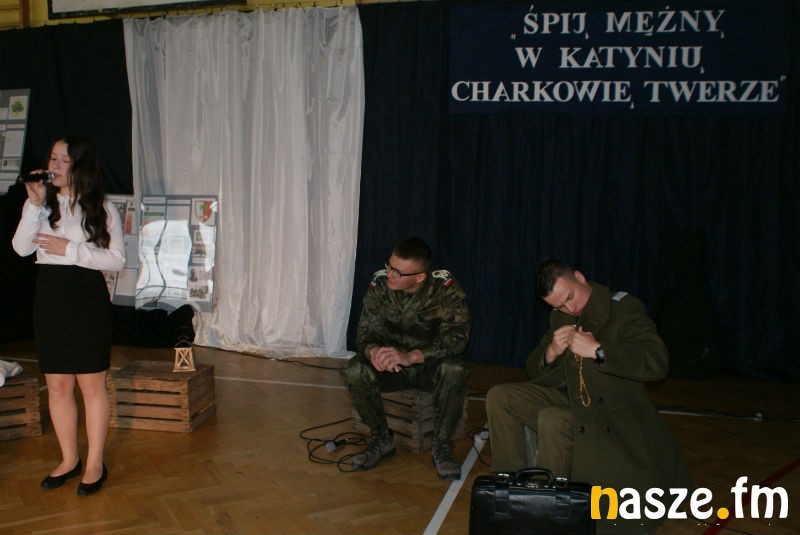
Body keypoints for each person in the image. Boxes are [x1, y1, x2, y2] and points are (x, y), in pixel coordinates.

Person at [486, 258, 691, 534]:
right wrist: (551, 353)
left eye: (570, 297)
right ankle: (514, 491)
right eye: (559, 305)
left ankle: (546, 507)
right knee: (501, 397)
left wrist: (599, 351)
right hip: (573, 400)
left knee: (553, 419)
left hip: (610, 412)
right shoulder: (560, 317)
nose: (569, 309)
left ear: (580, 277)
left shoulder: (623, 308)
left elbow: (657, 362)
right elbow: (535, 370)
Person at [12, 135, 125, 496]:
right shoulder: (41, 204)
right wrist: (33, 206)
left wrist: (71, 250)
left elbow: (117, 260)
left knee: (91, 385)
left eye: (64, 160)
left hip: (86, 298)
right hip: (50, 298)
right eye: (53, 158)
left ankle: (94, 464)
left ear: (80, 165)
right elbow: (20, 249)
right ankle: (69, 459)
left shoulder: (101, 206)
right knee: (58, 385)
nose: (55, 166)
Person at [343, 237, 470, 480]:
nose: (390, 274)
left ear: (419, 277)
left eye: (398, 272)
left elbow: (457, 339)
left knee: (454, 370)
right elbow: (364, 333)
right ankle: (381, 438)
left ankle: (442, 444)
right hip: (392, 368)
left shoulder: (444, 288)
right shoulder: (380, 284)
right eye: (389, 266)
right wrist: (374, 352)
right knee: (355, 369)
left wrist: (412, 356)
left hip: (428, 367)